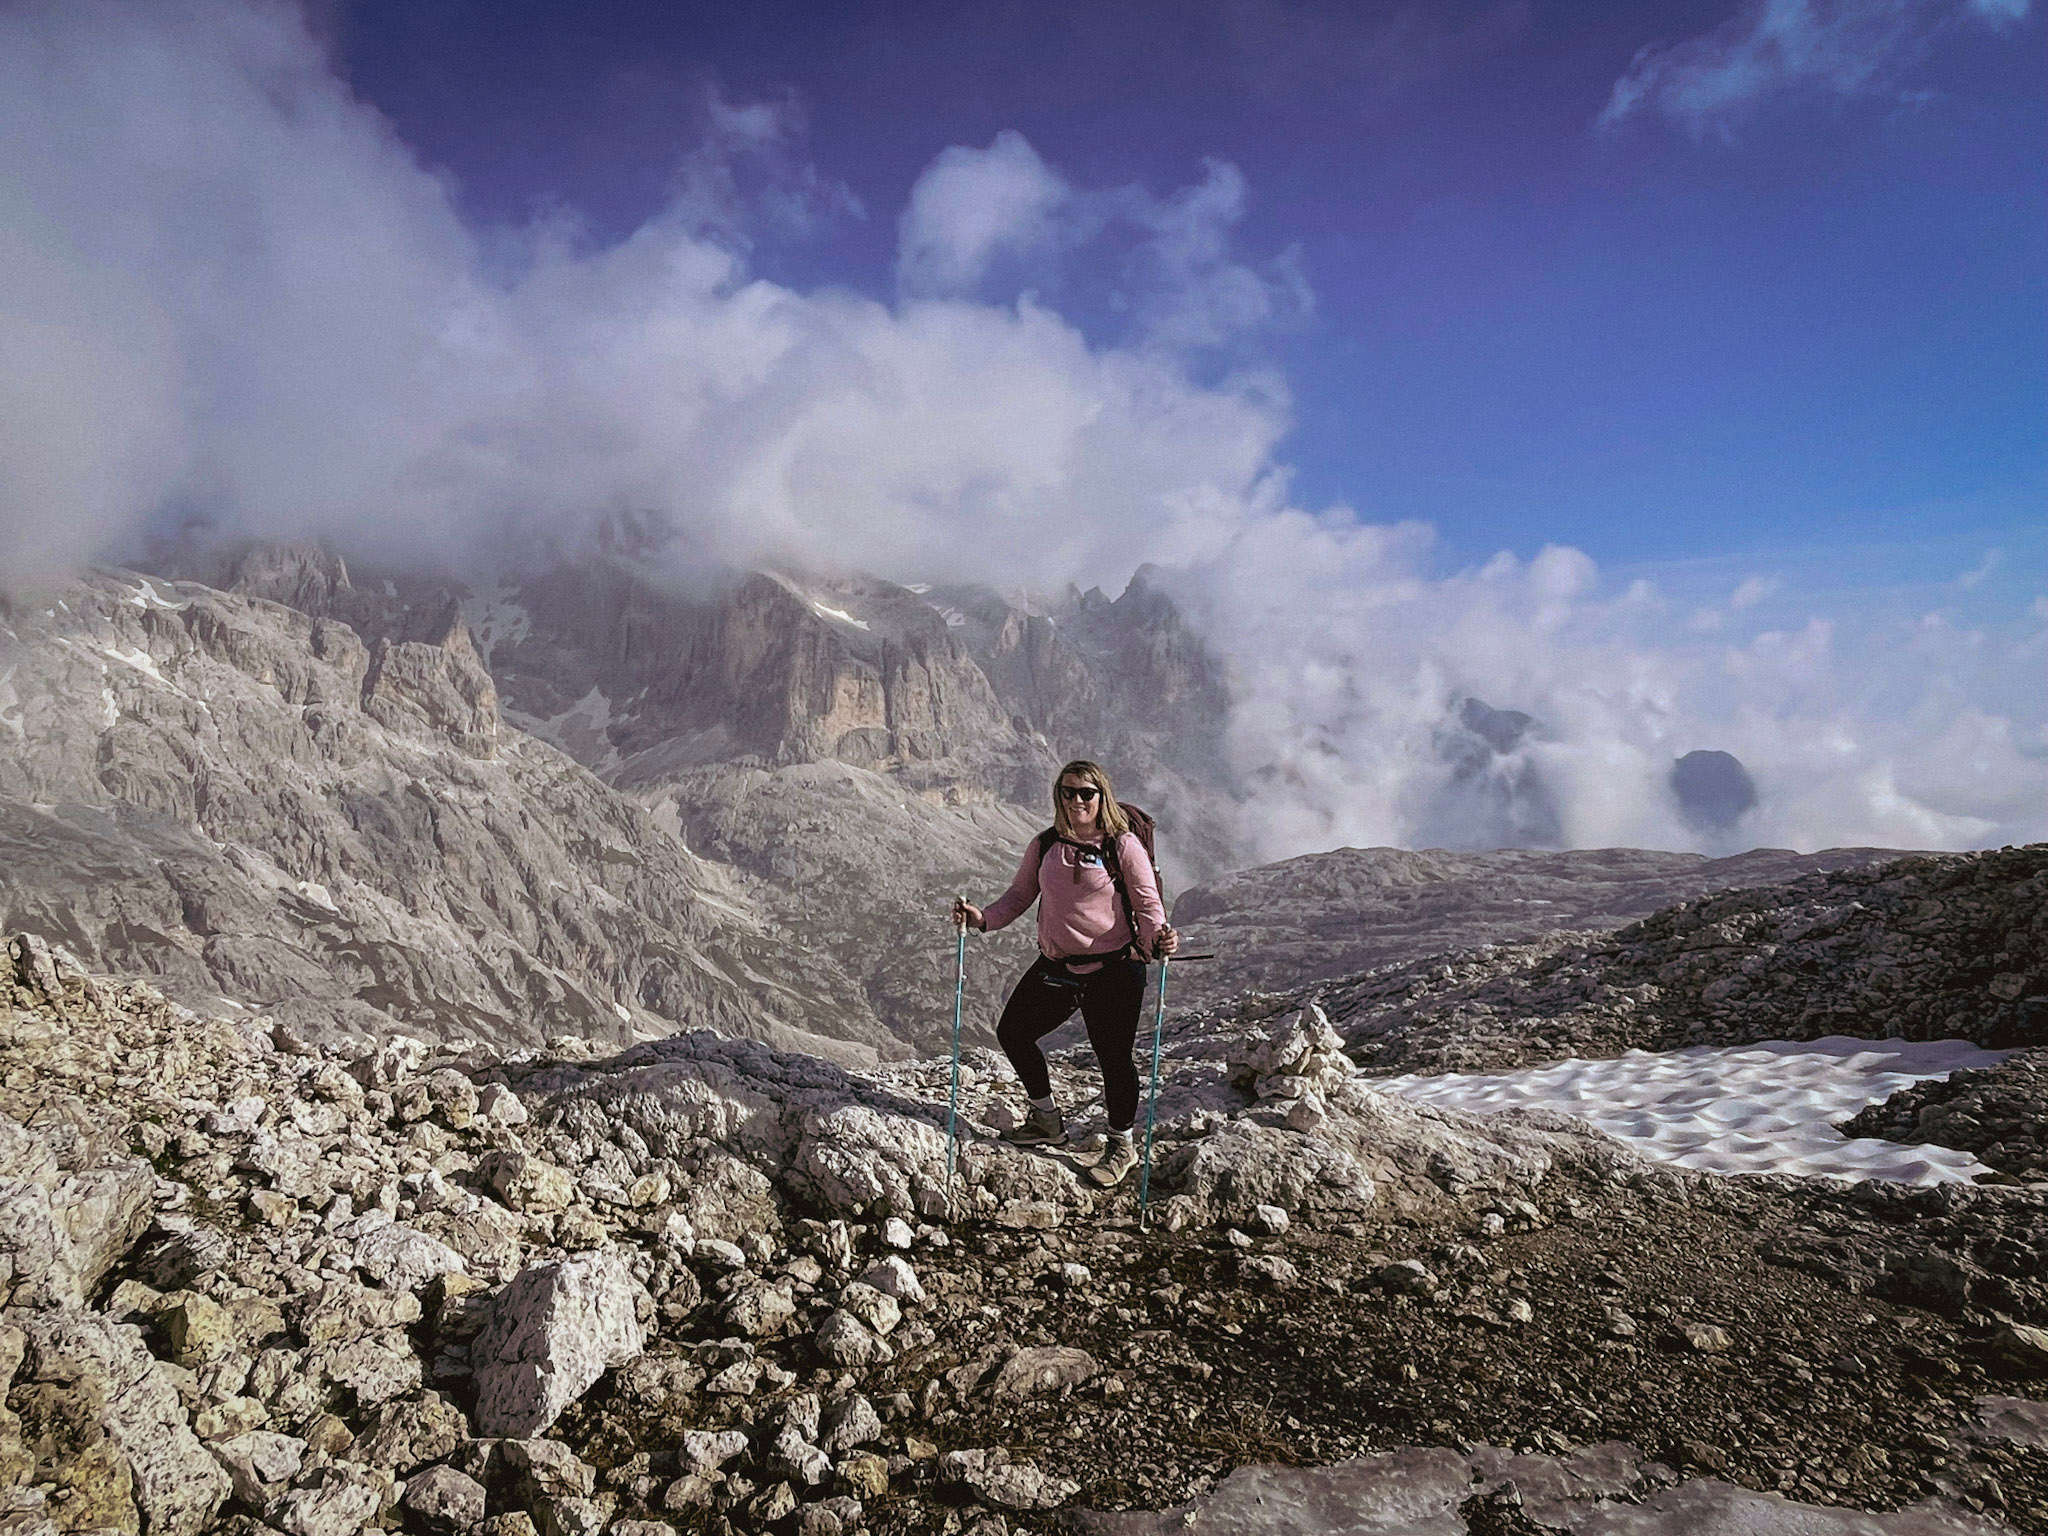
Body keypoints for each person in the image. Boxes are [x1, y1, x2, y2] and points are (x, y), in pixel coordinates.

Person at [951, 759, 1179, 1186]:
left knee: (1113, 1059)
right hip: (1057, 966)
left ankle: (1121, 1144)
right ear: (1058, 795)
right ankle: (1047, 1121)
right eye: (1068, 792)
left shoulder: (1122, 846)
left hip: (1115, 970)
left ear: (1101, 797)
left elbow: (1148, 906)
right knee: (1014, 1033)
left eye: (1086, 793)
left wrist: (1159, 939)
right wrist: (982, 919)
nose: (1077, 800)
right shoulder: (1045, 844)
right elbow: (1020, 895)